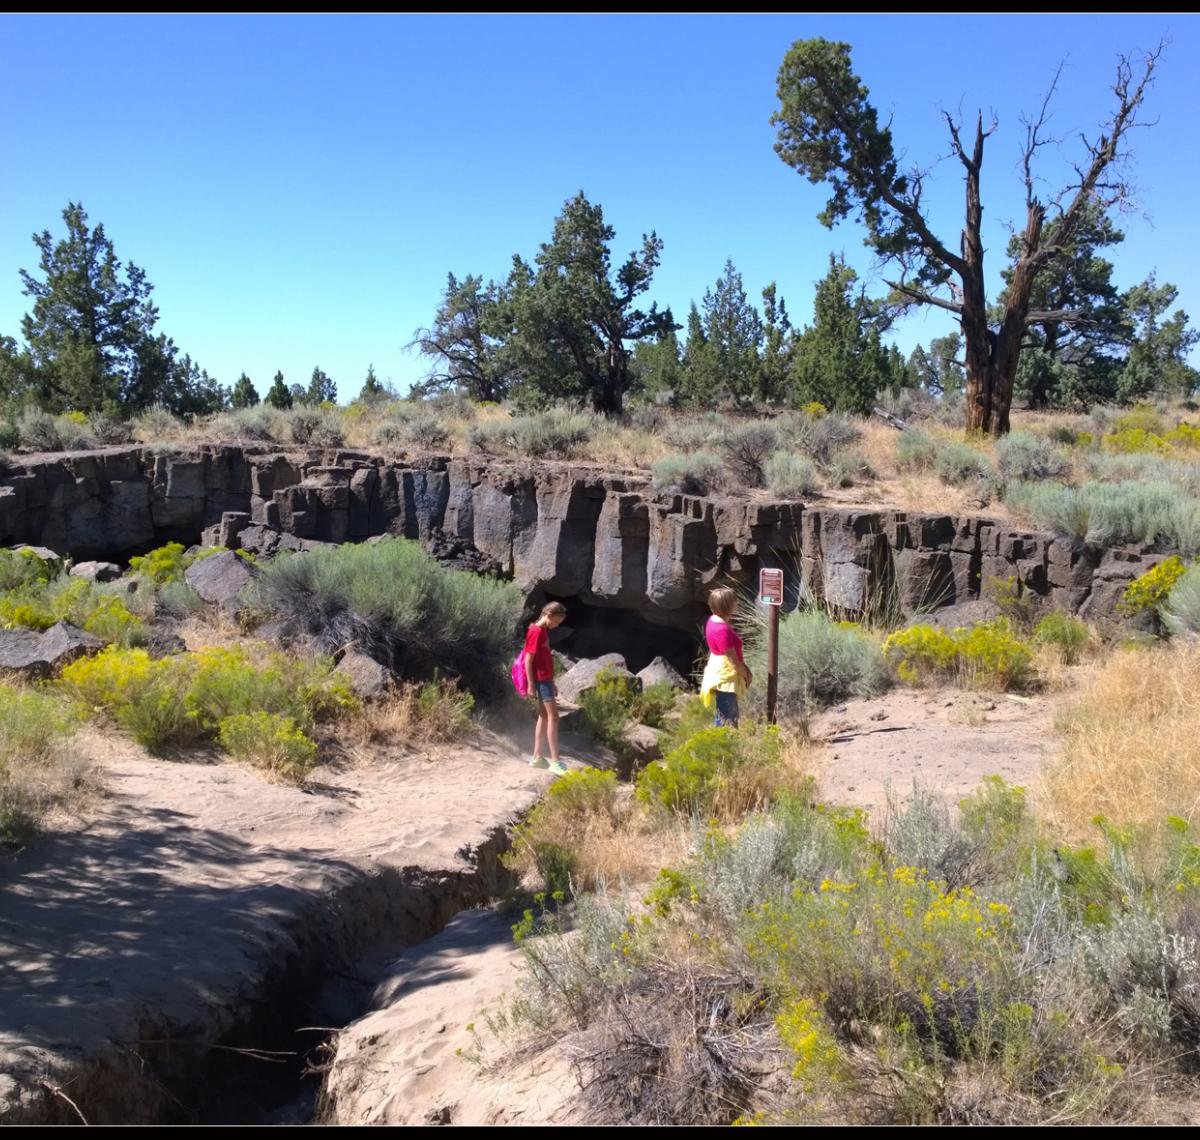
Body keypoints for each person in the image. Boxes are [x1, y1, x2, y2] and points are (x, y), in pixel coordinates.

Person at [524, 601, 569, 775]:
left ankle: (537, 757)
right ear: (549, 615)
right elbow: (529, 659)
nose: (556, 626)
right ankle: (556, 762)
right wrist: (531, 684)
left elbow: (544, 659)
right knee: (554, 717)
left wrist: (553, 682)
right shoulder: (536, 632)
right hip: (541, 681)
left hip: (546, 680)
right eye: (556, 622)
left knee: (544, 717)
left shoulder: (541, 631)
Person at [699, 586, 751, 727]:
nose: (737, 604)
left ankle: (723, 744)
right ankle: (725, 746)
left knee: (725, 714)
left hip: (718, 670)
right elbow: (733, 662)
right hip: (725, 677)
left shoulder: (713, 620)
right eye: (735, 602)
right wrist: (746, 674)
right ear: (727, 606)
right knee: (727, 718)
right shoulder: (722, 630)